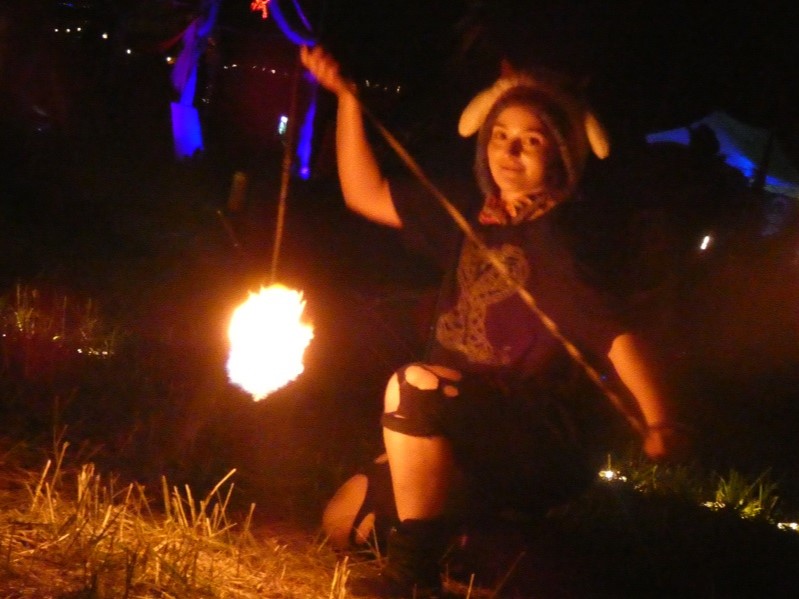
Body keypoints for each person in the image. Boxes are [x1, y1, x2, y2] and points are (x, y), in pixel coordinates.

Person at [300, 44, 690, 598]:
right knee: (343, 521)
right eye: (501, 134)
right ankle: (483, 547)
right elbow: (364, 195)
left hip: (527, 433)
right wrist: (346, 102)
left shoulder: (559, 241)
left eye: (531, 139)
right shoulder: (470, 214)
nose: (510, 148)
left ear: (561, 157)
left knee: (413, 387)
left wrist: (661, 420)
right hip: (458, 423)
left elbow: (615, 335)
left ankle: (413, 582)